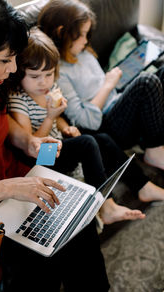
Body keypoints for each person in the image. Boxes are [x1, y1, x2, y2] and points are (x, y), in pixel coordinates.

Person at [0, 0, 110, 291]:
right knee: (42, 262)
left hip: (20, 182)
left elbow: (3, 129)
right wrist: (8, 188)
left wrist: (30, 141)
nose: (14, 69)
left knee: (77, 220)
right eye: (5, 60)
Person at [8, 27, 145, 226]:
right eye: (35, 76)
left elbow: (58, 119)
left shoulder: (50, 88)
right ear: (19, 74)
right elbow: (32, 146)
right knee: (87, 143)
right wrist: (50, 117)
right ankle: (106, 207)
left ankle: (141, 185)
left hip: (58, 144)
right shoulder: (19, 101)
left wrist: (64, 127)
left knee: (102, 139)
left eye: (48, 74)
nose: (43, 82)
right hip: (43, 159)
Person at [38, 0, 164, 203]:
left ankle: (154, 140)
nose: (86, 40)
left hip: (116, 101)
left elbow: (98, 83)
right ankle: (155, 149)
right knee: (146, 82)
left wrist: (113, 81)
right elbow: (87, 121)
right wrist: (108, 84)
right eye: (82, 35)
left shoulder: (84, 53)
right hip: (105, 123)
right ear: (62, 33)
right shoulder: (56, 72)